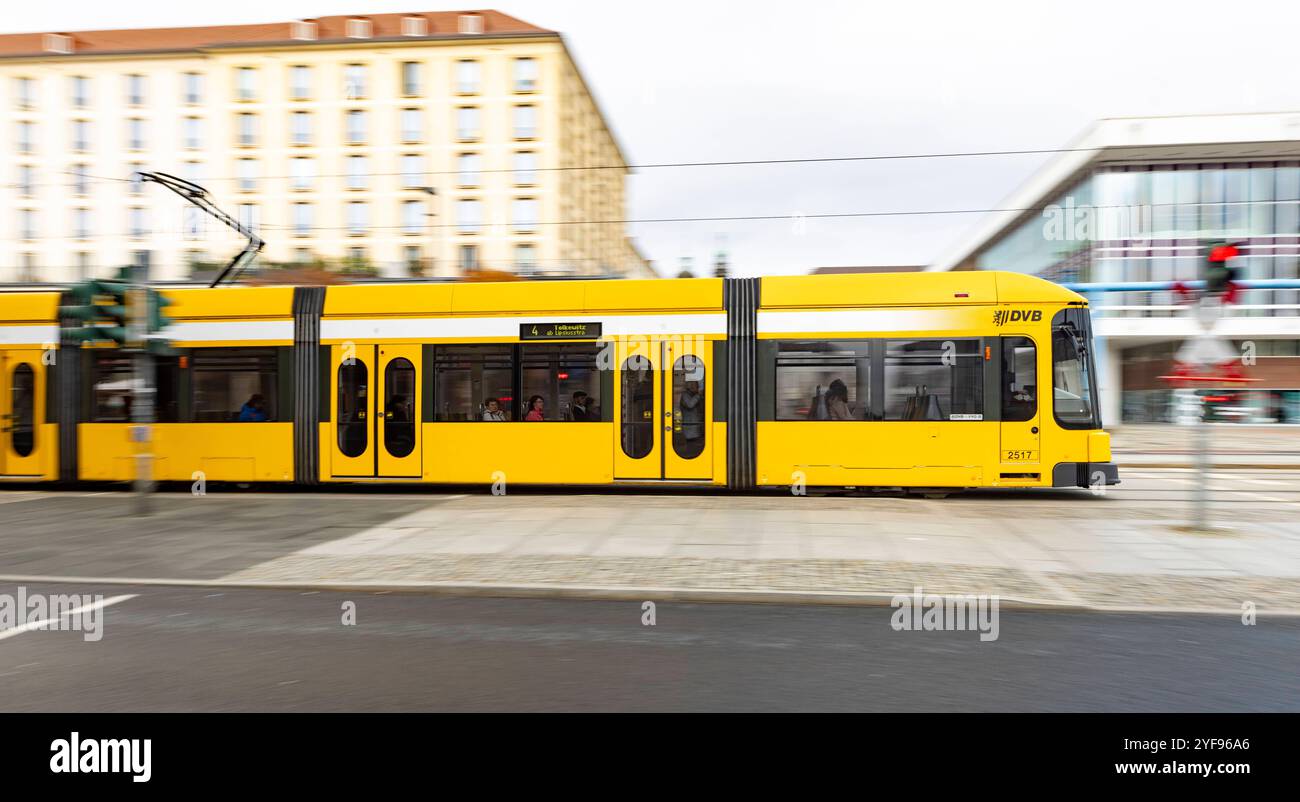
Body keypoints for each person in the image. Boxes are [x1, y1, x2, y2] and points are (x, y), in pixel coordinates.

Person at [676, 380, 705, 455]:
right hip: (690, 427)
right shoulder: (685, 395)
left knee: (695, 446)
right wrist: (698, 395)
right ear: (691, 386)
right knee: (691, 446)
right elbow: (690, 405)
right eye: (696, 386)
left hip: (695, 426)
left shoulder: (693, 395)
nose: (698, 388)